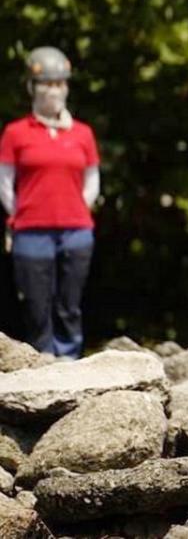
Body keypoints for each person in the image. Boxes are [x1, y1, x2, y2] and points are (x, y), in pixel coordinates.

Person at [0, 47, 100, 359]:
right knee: (36, 305)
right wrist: (20, 212)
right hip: (31, 231)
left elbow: (92, 180)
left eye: (60, 84)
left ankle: (69, 360)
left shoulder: (83, 133)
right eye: (47, 84)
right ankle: (42, 362)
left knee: (69, 305)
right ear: (33, 87)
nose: (53, 91)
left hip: (76, 231)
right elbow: (4, 182)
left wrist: (77, 207)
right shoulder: (16, 133)